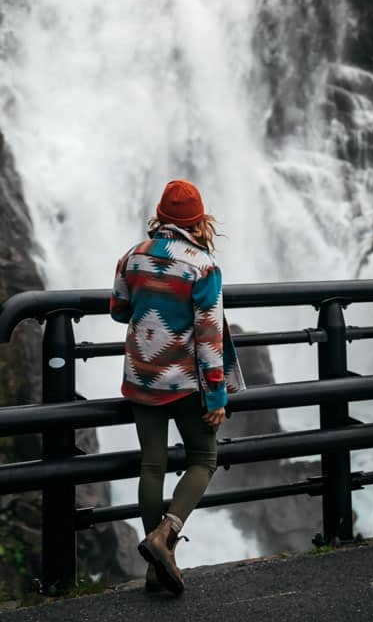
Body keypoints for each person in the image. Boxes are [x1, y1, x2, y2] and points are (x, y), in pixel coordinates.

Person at [110, 179, 245, 596]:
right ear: (199, 220)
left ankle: (155, 569)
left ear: (160, 216)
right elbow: (209, 337)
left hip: (142, 377)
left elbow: (118, 310)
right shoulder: (202, 266)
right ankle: (167, 535)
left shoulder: (132, 256)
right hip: (186, 383)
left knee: (151, 466)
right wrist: (217, 395)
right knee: (203, 458)